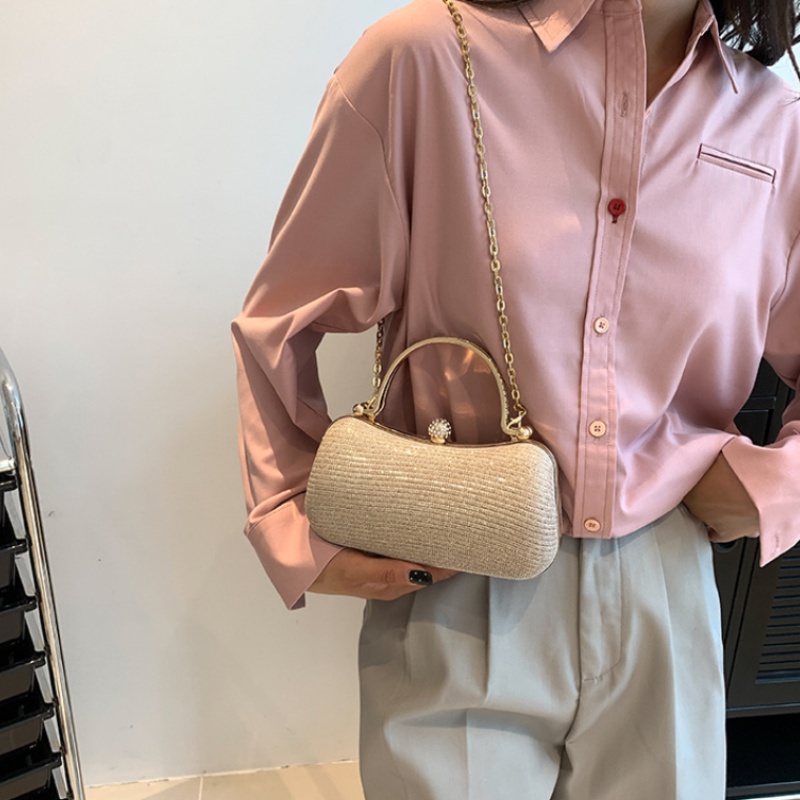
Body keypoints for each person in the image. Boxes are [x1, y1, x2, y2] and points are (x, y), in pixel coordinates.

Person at [232, 0, 800, 796]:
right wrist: (293, 515)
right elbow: (281, 320)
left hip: (664, 580)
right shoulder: (424, 59)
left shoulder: (773, 122)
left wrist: (775, 489)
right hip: (460, 565)